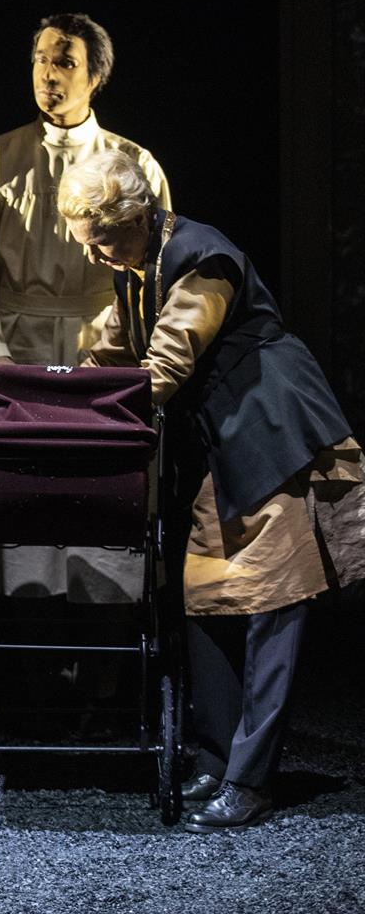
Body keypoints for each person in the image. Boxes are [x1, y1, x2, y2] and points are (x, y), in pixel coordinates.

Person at [61, 149, 365, 831]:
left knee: (275, 603)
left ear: (136, 217)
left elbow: (165, 363)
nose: (94, 254)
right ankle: (218, 757)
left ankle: (251, 781)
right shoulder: (135, 267)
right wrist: (49, 400)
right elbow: (110, 355)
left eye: (101, 239)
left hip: (271, 431)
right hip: (220, 445)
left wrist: (96, 411)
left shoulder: (203, 258)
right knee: (207, 596)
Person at [0, 12, 172, 604]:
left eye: (65, 62)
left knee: (100, 482)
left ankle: (106, 619)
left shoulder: (134, 162)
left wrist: (136, 357)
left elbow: (158, 267)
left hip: (106, 343)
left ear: (96, 77)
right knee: (26, 483)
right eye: (41, 60)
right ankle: (21, 615)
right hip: (19, 343)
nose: (48, 75)